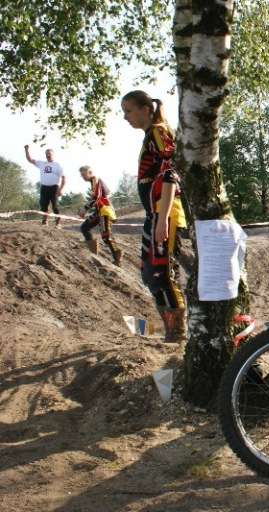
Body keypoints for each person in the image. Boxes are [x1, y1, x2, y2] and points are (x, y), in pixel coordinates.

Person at [121, 90, 188, 345]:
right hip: (154, 214)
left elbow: (171, 172)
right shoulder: (150, 136)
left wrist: (162, 219)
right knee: (149, 274)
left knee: (163, 274)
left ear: (145, 109)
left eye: (128, 110)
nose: (125, 117)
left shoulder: (159, 132)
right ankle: (170, 329)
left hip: (166, 213)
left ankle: (177, 334)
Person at [77, 165, 123, 266]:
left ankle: (117, 257)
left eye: (84, 174)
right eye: (82, 175)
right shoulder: (94, 181)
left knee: (106, 236)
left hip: (105, 211)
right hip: (99, 211)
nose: (83, 177)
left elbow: (96, 198)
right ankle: (94, 253)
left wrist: (85, 209)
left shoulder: (95, 180)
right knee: (85, 227)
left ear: (90, 172)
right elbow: (106, 193)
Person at [24, 146, 66, 227]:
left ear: (53, 154)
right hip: (44, 187)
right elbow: (30, 160)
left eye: (49, 154)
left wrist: (61, 189)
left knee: (55, 206)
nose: (48, 155)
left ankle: (58, 222)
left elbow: (64, 177)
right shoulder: (42, 163)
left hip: (54, 188)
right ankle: (44, 221)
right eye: (46, 154)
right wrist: (27, 150)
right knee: (43, 205)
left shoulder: (58, 165)